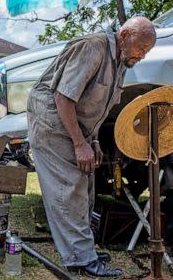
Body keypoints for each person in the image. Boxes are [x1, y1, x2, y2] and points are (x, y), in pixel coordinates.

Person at [27, 17, 156, 277]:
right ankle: (81, 259)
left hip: (76, 125)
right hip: (52, 121)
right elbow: (63, 97)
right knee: (70, 187)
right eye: (141, 48)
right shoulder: (93, 47)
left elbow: (97, 108)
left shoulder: (121, 61)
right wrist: (78, 143)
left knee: (86, 185)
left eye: (147, 51)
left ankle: (84, 250)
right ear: (125, 34)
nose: (142, 55)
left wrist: (93, 141)